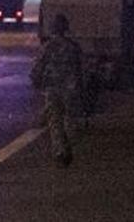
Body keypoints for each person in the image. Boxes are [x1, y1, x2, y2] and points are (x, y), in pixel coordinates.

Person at [31, 13, 82, 167]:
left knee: (55, 120)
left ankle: (60, 150)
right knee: (69, 118)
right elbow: (80, 69)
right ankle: (70, 144)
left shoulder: (47, 47)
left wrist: (36, 81)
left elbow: (37, 67)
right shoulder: (73, 47)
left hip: (52, 88)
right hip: (70, 89)